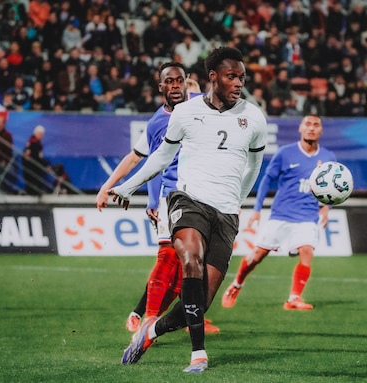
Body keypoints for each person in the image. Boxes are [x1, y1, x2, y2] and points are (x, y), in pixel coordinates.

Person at [108, 47, 267, 373]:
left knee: (199, 301)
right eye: (232, 76)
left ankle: (150, 331)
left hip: (226, 214)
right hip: (188, 201)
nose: (239, 83)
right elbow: (160, 158)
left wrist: (237, 200)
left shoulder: (253, 117)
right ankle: (198, 355)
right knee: (190, 259)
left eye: (242, 77)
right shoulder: (185, 112)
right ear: (213, 77)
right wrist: (127, 186)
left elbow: (253, 167)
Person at [96, 64, 219, 334]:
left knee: (191, 265)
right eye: (169, 81)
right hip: (172, 197)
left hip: (205, 195)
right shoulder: (157, 122)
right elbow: (146, 160)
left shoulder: (204, 106)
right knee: (169, 259)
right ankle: (148, 319)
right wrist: (110, 187)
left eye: (180, 81)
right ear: (160, 86)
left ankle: (174, 317)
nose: (176, 86)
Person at [221, 114, 336, 311]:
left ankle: (294, 298)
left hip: (308, 215)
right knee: (257, 255)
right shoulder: (286, 153)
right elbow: (267, 180)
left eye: (316, 125)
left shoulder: (328, 158)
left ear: (321, 131)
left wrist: (326, 208)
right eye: (307, 124)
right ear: (300, 128)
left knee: (307, 251)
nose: (311, 128)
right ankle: (236, 284)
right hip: (281, 214)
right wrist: (257, 210)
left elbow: (333, 189)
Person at [22, 125, 51, 195]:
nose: (41, 136)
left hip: (30, 167)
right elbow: (36, 157)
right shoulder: (34, 143)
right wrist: (46, 164)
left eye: (42, 134)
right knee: (34, 184)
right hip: (32, 168)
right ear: (36, 133)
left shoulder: (32, 142)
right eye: (40, 134)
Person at [0, 114, 15, 193]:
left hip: (1, 158)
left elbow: (8, 148)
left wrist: (5, 159)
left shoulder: (7, 135)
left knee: (0, 175)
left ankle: (1, 191)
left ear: (3, 123)